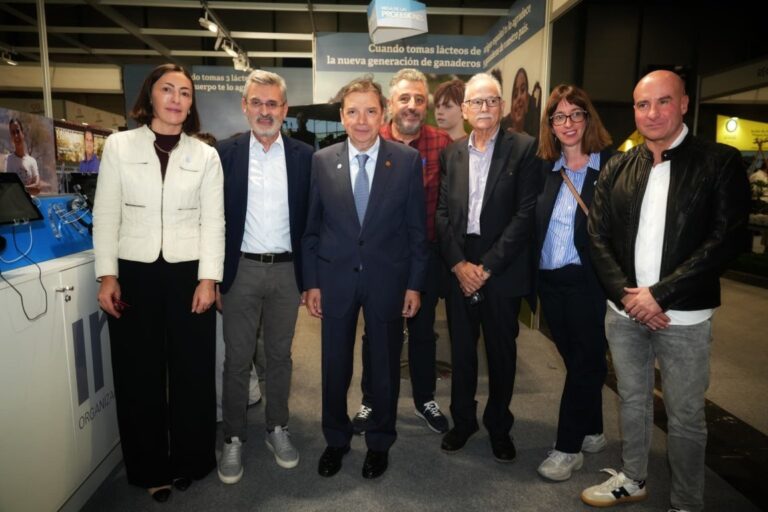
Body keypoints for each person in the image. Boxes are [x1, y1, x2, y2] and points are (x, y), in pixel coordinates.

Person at [582, 70, 750, 511]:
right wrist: (629, 296)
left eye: (663, 102)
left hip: (684, 318)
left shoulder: (720, 162)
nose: (652, 113)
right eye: (642, 104)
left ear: (684, 104)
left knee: (686, 417)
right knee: (632, 401)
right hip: (624, 314)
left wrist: (660, 296)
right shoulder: (619, 164)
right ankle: (632, 477)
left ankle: (686, 502)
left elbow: (726, 239)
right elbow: (596, 236)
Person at [92, 63, 225, 503]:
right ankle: (150, 467)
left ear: (191, 104)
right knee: (139, 374)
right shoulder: (119, 146)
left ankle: (192, 459)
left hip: (189, 274)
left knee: (192, 371)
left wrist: (209, 279)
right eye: (167, 90)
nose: (176, 99)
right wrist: (107, 274)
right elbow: (106, 213)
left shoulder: (204, 155)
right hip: (135, 272)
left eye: (185, 93)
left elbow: (214, 224)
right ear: (150, 96)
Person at [303, 76, 428, 480]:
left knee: (385, 365)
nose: (361, 120)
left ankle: (379, 442)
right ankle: (336, 440)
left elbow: (416, 231)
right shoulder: (322, 161)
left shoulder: (406, 162)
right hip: (335, 280)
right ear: (342, 116)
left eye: (370, 111)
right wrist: (312, 283)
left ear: (383, 114)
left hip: (387, 281)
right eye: (353, 111)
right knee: (334, 366)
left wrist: (414, 284)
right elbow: (312, 228)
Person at [435, 72, 539, 462]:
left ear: (502, 107)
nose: (484, 108)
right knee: (461, 351)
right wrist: (460, 265)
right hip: (460, 263)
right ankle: (463, 422)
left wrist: (487, 266)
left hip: (502, 267)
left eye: (491, 101)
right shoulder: (452, 153)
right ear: (464, 110)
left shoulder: (524, 149)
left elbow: (525, 215)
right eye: (476, 102)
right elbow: (442, 214)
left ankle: (499, 425)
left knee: (501, 353)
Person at [215, 70, 313, 484]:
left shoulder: (305, 156)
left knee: (280, 357)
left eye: (273, 104)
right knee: (237, 360)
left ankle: (277, 428)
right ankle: (233, 436)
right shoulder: (224, 154)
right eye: (257, 102)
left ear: (285, 110)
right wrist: (213, 276)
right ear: (245, 106)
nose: (265, 111)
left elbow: (312, 220)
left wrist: (312, 279)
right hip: (241, 270)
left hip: (288, 273)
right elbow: (212, 219)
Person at [352, 68, 452, 436]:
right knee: (375, 334)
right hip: (378, 261)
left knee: (423, 332)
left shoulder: (443, 145)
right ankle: (371, 400)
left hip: (425, 256)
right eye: (404, 99)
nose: (411, 106)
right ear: (390, 104)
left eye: (419, 99)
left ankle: (425, 398)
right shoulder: (369, 140)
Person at [534, 84, 613, 481]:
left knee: (583, 362)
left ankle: (568, 449)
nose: (568, 123)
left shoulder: (611, 166)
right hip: (550, 281)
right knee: (577, 358)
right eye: (559, 116)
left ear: (588, 118)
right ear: (550, 124)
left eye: (576, 114)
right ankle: (593, 429)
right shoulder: (545, 170)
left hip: (589, 282)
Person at [502, 67, 539, 138]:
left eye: (522, 90)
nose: (519, 97)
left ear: (528, 98)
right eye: (515, 95)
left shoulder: (533, 139)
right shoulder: (502, 130)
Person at [6, 118, 41, 194]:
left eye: (18, 131)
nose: (16, 135)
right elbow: (10, 188)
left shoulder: (32, 161)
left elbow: (37, 188)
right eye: (13, 133)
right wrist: (30, 187)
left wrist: (19, 188)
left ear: (23, 133)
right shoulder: (9, 160)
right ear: (11, 136)